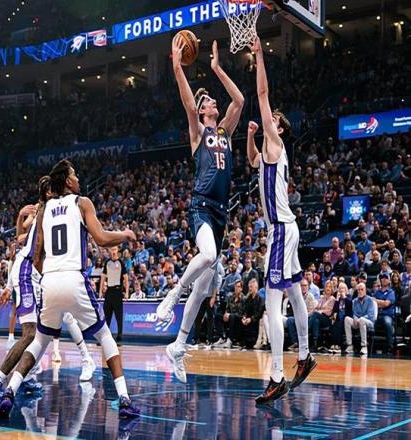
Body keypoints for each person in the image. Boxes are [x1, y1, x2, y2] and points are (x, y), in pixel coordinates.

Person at [0, 159, 139, 420]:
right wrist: (125, 234)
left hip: (49, 280)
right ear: (67, 181)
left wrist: (50, 273)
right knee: (105, 336)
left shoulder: (44, 210)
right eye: (75, 175)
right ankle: (125, 399)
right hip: (74, 278)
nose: (78, 178)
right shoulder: (82, 203)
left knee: (39, 341)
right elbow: (102, 238)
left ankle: (10, 391)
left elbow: (36, 255)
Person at [155, 36, 244, 383]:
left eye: (210, 101)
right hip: (201, 206)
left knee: (205, 287)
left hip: (221, 214)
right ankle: (172, 295)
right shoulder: (198, 134)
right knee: (206, 256)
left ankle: (178, 345)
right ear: (203, 109)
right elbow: (187, 101)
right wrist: (177, 66)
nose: (213, 103)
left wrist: (217, 68)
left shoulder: (225, 132)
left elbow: (239, 100)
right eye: (207, 101)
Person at [247, 36, 316, 405]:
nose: (268, 118)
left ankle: (276, 376)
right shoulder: (268, 150)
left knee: (272, 304)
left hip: (280, 231)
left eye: (273, 118)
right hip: (287, 229)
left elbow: (262, 92)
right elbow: (252, 161)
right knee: (294, 292)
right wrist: (249, 136)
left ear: (281, 128)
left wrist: (260, 55)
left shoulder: (276, 141)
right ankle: (304, 355)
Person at [0, 177, 95, 402]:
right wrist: (12, 284)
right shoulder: (44, 211)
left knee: (43, 332)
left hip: (36, 275)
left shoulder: (53, 211)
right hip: (28, 272)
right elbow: (22, 241)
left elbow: (23, 239)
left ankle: (27, 376)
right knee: (30, 334)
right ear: (49, 192)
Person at [100, 246, 129, 343]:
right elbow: (103, 277)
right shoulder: (107, 263)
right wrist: (100, 291)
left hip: (117, 291)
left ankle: (119, 337)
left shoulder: (121, 263)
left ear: (117, 251)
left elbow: (126, 278)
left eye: (115, 249)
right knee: (106, 316)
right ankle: (105, 337)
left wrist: (127, 292)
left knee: (118, 316)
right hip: (109, 291)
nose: (113, 251)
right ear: (109, 251)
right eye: (112, 249)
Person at [345, 283, 376, 355]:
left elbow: (370, 315)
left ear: (365, 290)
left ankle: (364, 346)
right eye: (358, 290)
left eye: (362, 289)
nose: (360, 291)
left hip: (369, 322)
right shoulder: (355, 301)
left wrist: (361, 318)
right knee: (347, 319)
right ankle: (349, 345)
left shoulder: (370, 300)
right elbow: (354, 313)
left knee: (362, 320)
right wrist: (355, 318)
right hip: (358, 321)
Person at [286, 278, 317, 352]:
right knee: (290, 320)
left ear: (308, 287)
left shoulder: (310, 296)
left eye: (305, 285)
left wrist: (302, 316)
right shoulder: (297, 296)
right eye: (302, 285)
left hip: (307, 318)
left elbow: (311, 311)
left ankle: (304, 343)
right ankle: (295, 342)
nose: (303, 287)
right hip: (297, 316)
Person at [372, 273, 396, 354]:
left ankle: (390, 348)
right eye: (382, 278)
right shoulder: (376, 292)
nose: (384, 279)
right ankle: (369, 346)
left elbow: (386, 304)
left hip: (387, 315)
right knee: (368, 322)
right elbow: (372, 303)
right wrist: (382, 302)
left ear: (389, 280)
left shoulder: (391, 292)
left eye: (386, 278)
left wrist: (377, 302)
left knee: (388, 323)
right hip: (377, 315)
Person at [330, 282, 352, 353]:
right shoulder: (338, 299)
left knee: (339, 324)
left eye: (342, 288)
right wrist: (337, 299)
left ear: (345, 289)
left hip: (346, 318)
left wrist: (344, 297)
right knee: (334, 324)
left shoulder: (348, 297)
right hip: (339, 318)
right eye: (339, 288)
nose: (341, 290)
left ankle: (338, 345)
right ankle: (334, 344)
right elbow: (335, 310)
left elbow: (350, 305)